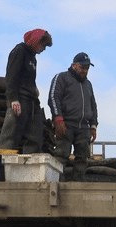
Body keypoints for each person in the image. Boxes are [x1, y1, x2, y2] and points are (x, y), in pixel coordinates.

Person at [0, 29, 52, 153]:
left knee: (36, 136)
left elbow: (27, 78)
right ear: (36, 41)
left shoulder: (33, 58)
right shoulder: (19, 51)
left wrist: (34, 87)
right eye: (43, 45)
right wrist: (13, 99)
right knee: (10, 135)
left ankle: (29, 169)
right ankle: (3, 169)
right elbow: (11, 76)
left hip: (32, 101)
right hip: (20, 99)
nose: (43, 49)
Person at [48, 52, 98, 181]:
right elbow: (54, 97)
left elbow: (93, 105)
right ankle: (58, 185)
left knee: (82, 158)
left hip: (84, 127)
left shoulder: (88, 84)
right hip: (66, 124)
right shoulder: (62, 77)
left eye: (87, 68)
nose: (85, 71)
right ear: (74, 65)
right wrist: (58, 119)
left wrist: (93, 126)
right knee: (61, 155)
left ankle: (78, 186)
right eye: (82, 67)